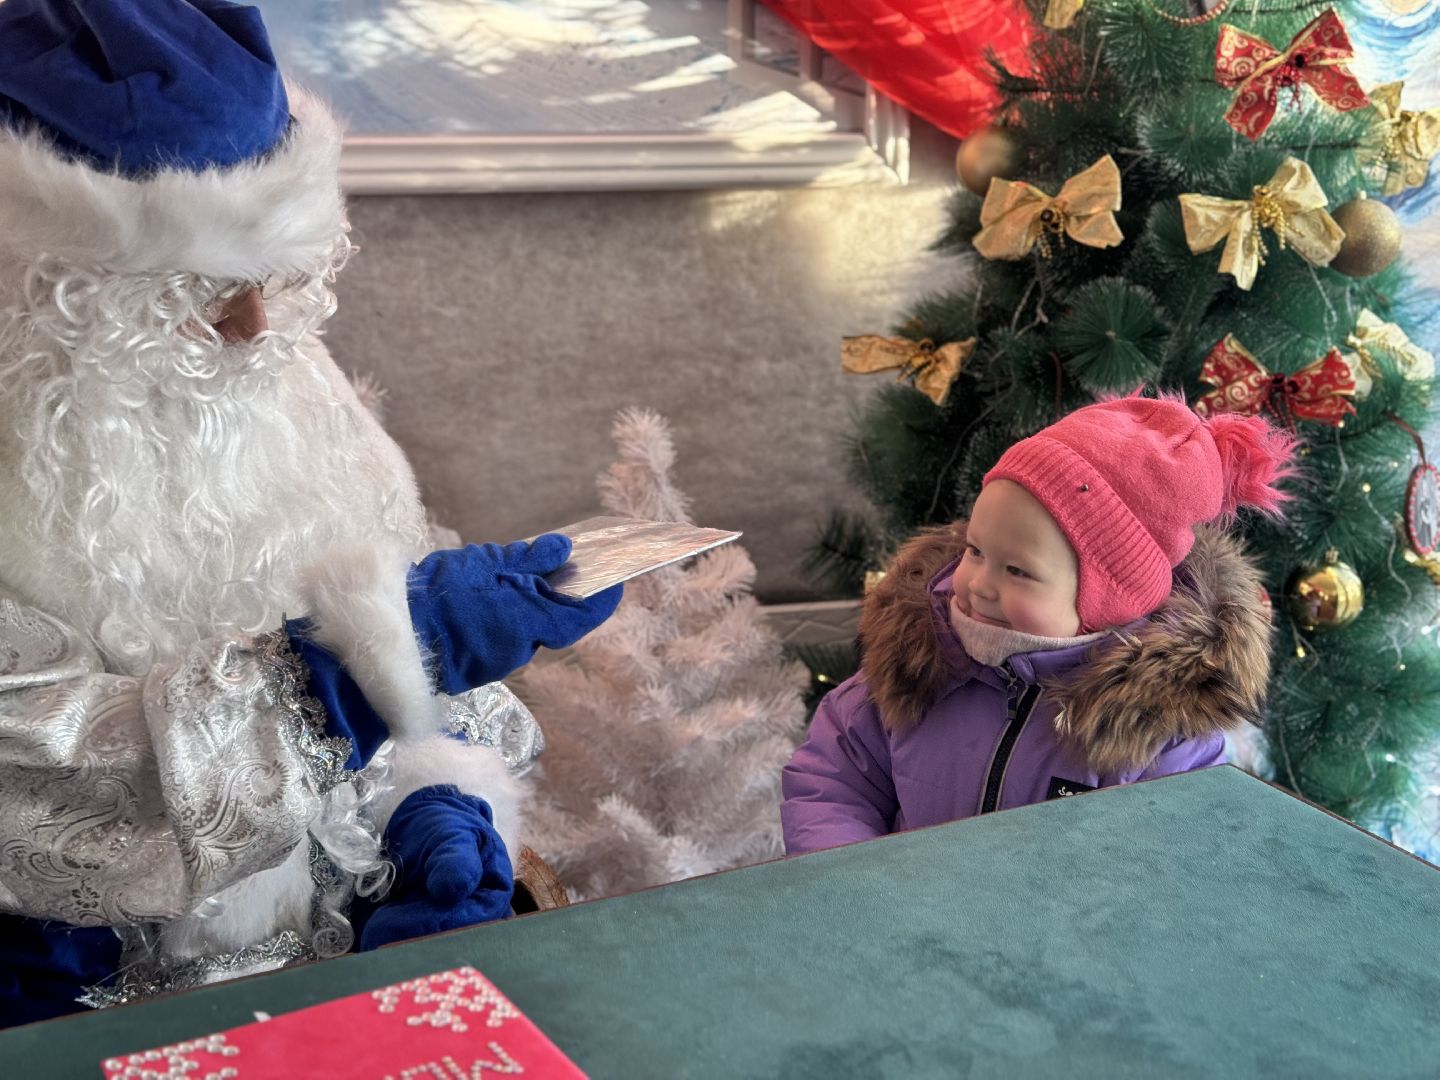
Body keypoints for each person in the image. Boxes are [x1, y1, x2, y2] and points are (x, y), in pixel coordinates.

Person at [0, 0, 619, 1026]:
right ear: (40, 280)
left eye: (269, 280)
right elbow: (52, 796)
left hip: (323, 976)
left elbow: (403, 626)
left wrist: (433, 789)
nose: (252, 329)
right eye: (190, 293)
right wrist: (347, 671)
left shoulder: (278, 380)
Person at [781, 395, 1294, 854]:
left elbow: (1169, 860)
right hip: (903, 922)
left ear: (1105, 598)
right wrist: (852, 884)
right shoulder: (919, 660)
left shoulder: (1160, 732)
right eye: (975, 551)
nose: (978, 583)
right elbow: (833, 779)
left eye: (1017, 571)